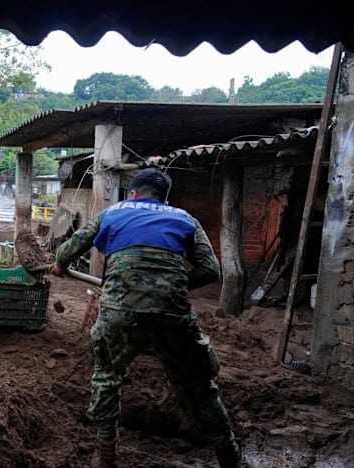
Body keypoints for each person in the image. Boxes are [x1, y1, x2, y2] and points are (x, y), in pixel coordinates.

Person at [50, 168, 241, 468]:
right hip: (173, 314)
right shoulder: (184, 218)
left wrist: (60, 265)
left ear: (133, 194)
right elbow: (211, 270)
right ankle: (229, 455)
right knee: (199, 386)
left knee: (107, 376)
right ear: (165, 198)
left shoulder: (112, 213)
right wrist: (174, 284)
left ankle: (107, 455)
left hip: (119, 312)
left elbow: (68, 250)